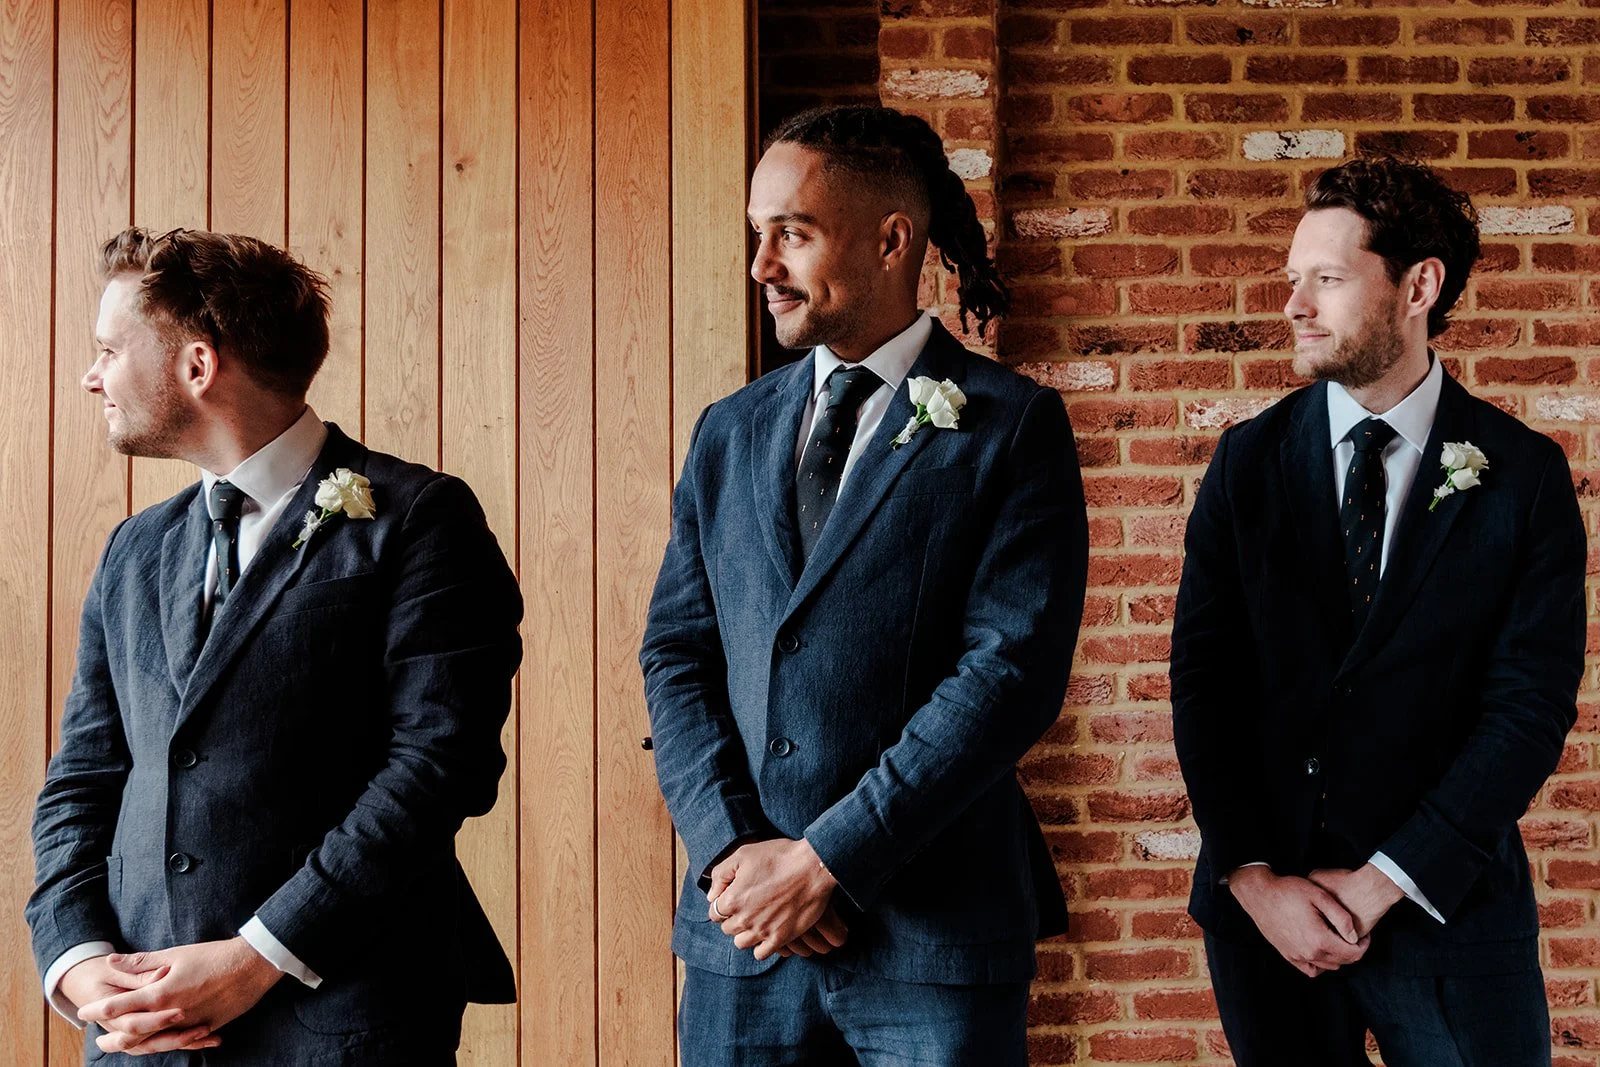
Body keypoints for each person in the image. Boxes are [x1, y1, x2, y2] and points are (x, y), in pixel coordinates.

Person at [639, 105, 1089, 1065]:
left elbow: (1008, 673)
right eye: (757, 234)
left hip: (934, 929)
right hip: (742, 932)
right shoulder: (729, 428)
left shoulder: (1012, 425)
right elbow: (677, 653)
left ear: (892, 239)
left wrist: (831, 860)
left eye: (791, 234)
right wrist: (735, 854)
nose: (762, 266)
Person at [27, 227, 521, 1062]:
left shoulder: (418, 517)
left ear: (197, 365)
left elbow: (439, 766)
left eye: (110, 350)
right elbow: (84, 774)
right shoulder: (132, 549)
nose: (91, 375)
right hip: (143, 1028)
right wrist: (76, 959)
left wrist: (259, 956)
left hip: (343, 1019)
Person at [1171, 157, 1586, 1065]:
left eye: (1325, 278)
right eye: (1293, 280)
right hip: (1266, 924)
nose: (1294, 305)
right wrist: (1250, 875)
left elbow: (1528, 708)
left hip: (1451, 914)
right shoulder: (1246, 464)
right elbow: (1205, 683)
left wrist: (1383, 881)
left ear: (1418, 285)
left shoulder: (1523, 476)